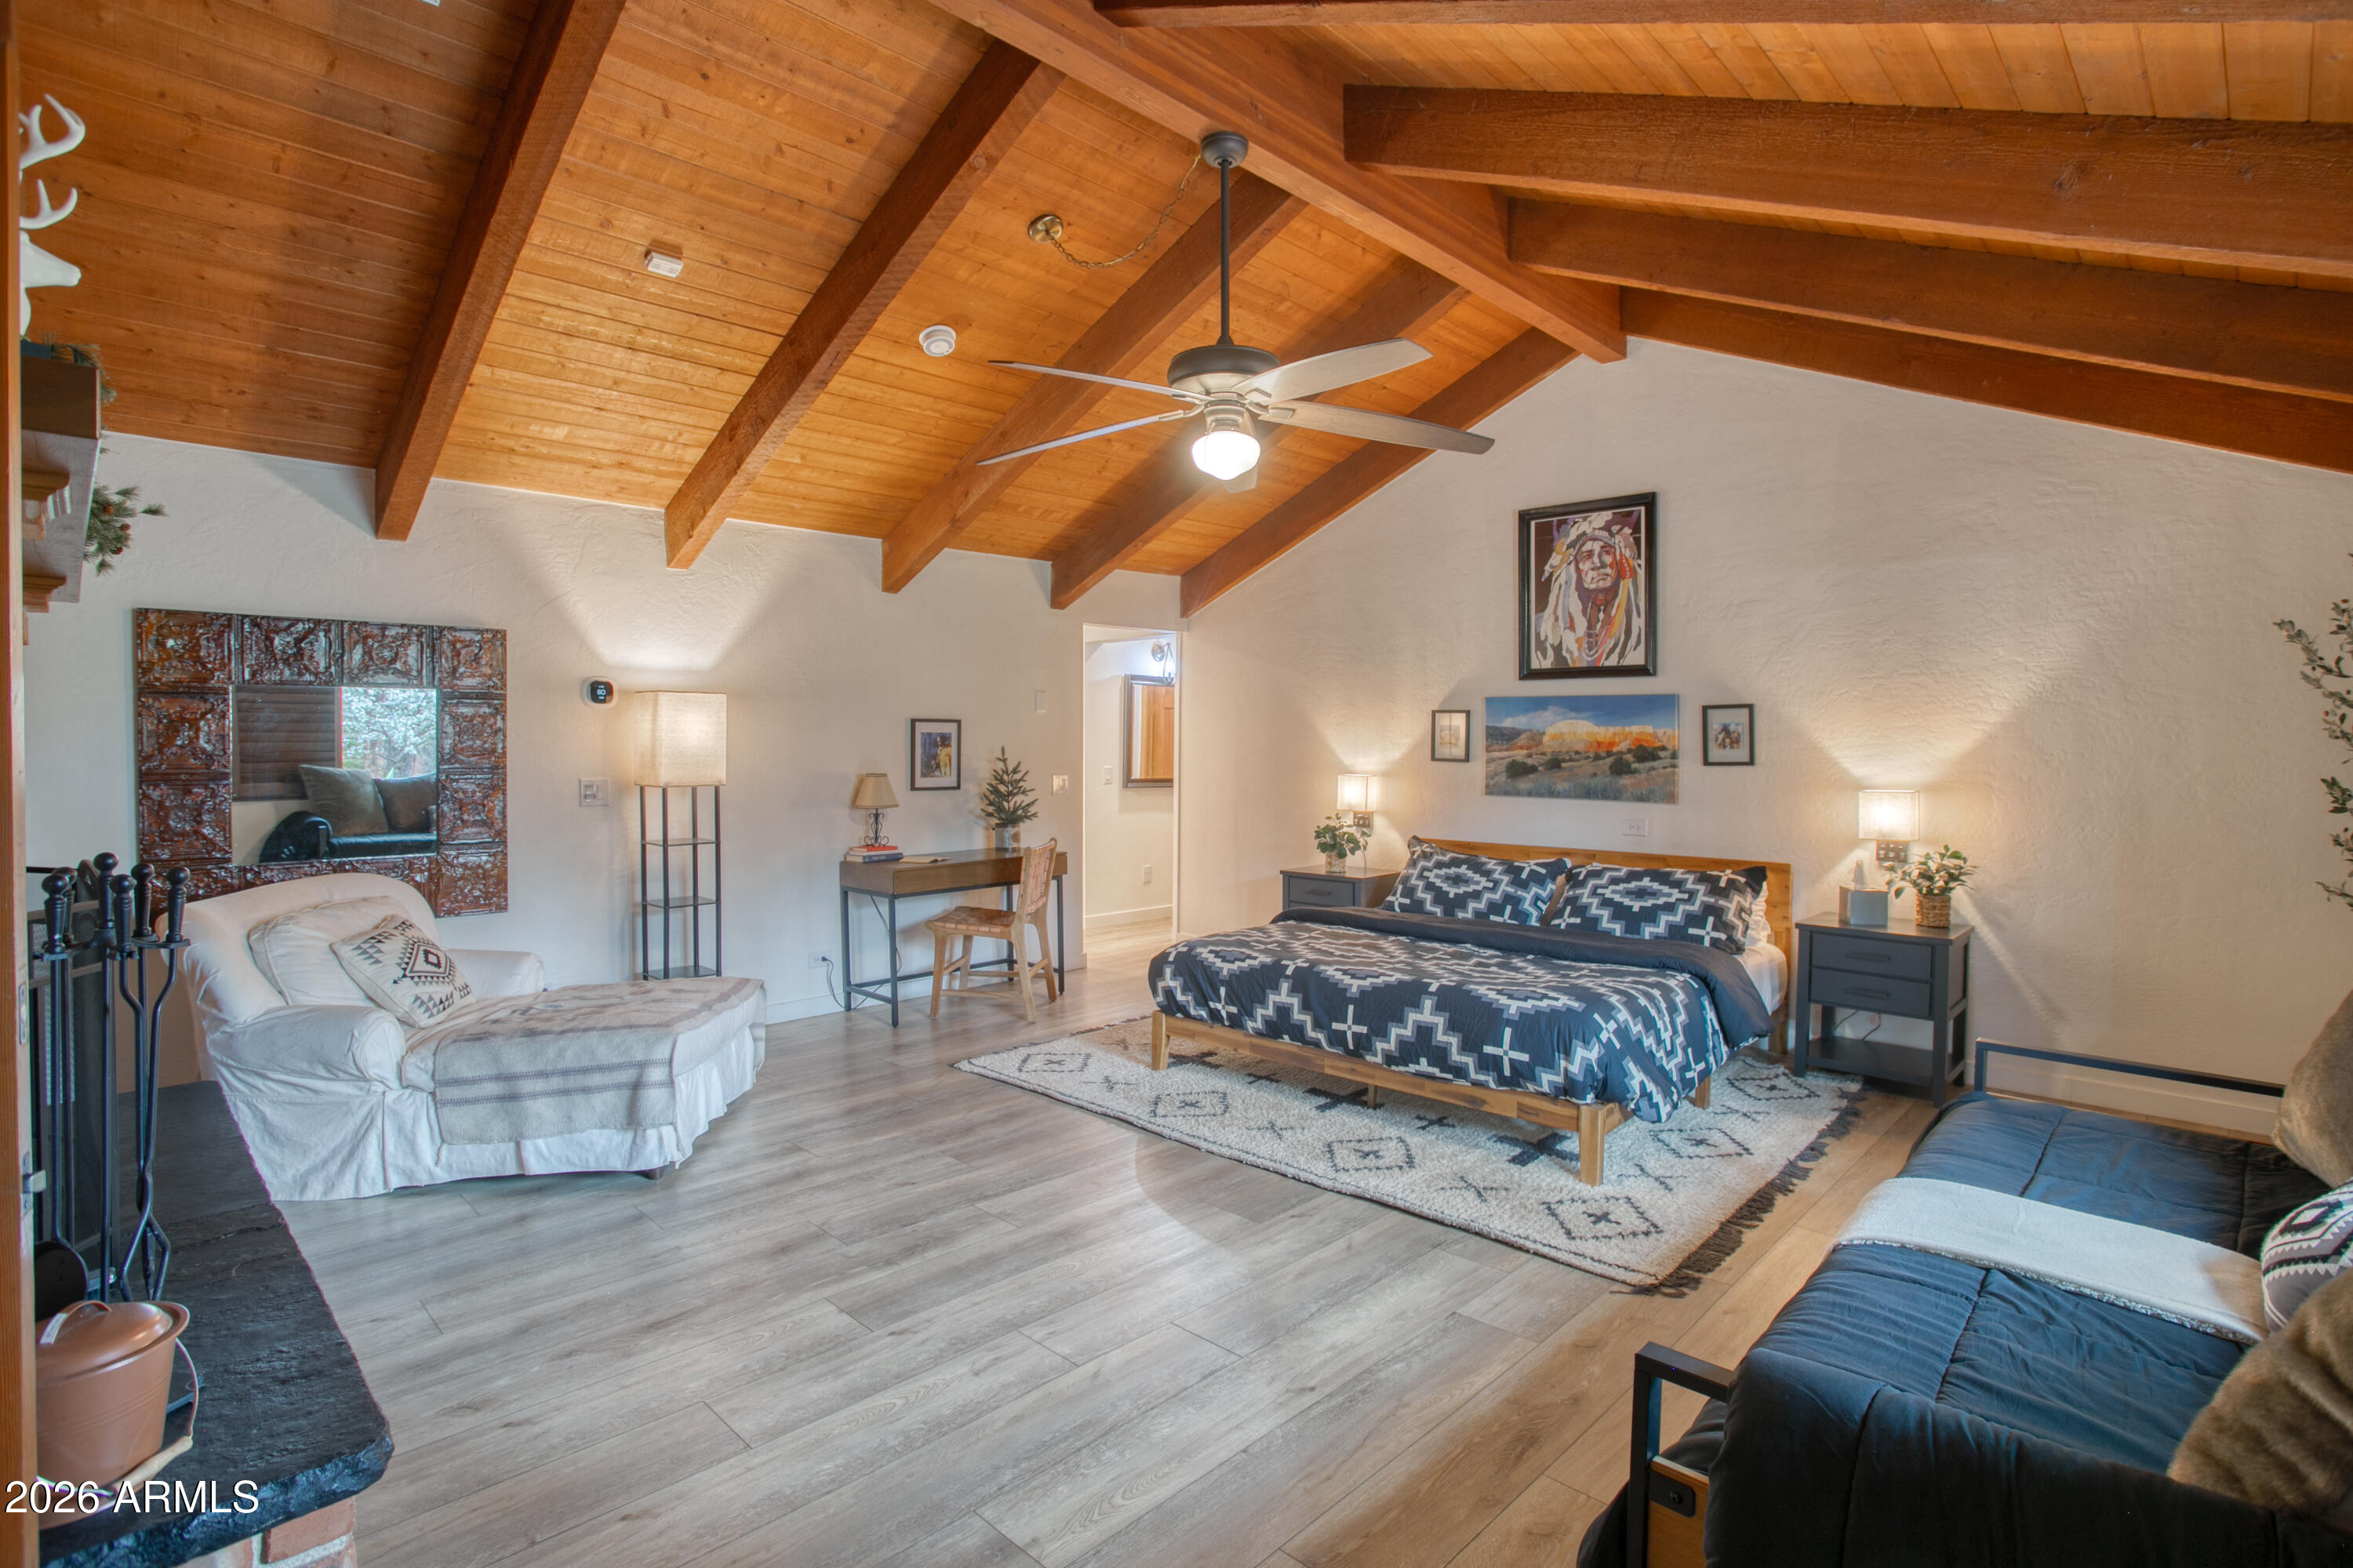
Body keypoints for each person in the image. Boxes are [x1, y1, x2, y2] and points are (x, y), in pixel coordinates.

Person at [1537, 510, 1644, 668]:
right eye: (1586, 556)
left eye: (1606, 552)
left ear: (1620, 559)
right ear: (1573, 569)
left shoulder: (1640, 623)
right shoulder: (1543, 631)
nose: (1598, 563)